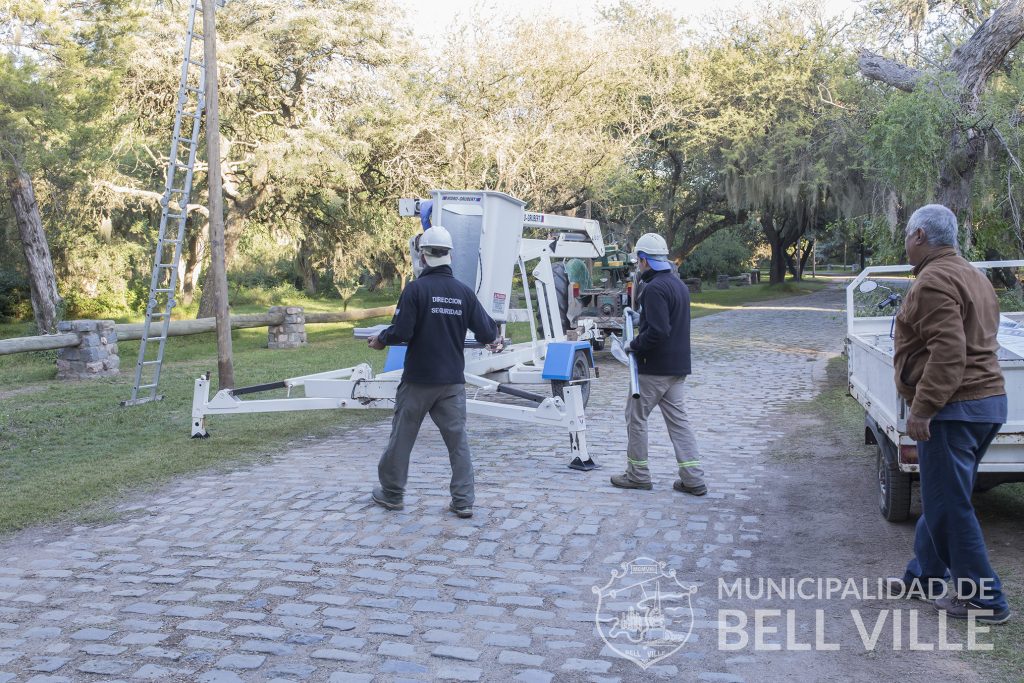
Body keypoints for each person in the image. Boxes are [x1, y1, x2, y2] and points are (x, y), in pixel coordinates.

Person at [888, 204, 1011, 624]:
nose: (906, 243)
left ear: (920, 236)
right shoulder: (972, 275)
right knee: (944, 499)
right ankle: (925, 578)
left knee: (948, 507)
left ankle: (985, 599)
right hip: (985, 404)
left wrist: (923, 409)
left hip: (954, 409)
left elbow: (949, 352)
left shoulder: (934, 280)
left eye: (907, 235)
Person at [367, 225, 499, 519]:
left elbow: (402, 331)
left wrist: (381, 339)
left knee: (402, 438)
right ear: (450, 255)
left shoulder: (415, 290)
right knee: (458, 442)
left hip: (418, 380)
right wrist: (494, 338)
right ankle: (463, 501)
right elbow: (488, 331)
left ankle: (392, 494)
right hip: (452, 382)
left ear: (423, 256)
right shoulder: (463, 293)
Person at [610, 232, 707, 496]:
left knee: (635, 418)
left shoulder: (653, 288)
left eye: (638, 261)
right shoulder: (678, 285)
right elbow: (664, 319)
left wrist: (633, 345)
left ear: (643, 260)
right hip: (677, 369)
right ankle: (693, 479)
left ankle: (637, 475)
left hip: (654, 369)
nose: (638, 266)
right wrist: (639, 317)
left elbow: (659, 331)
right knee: (679, 423)